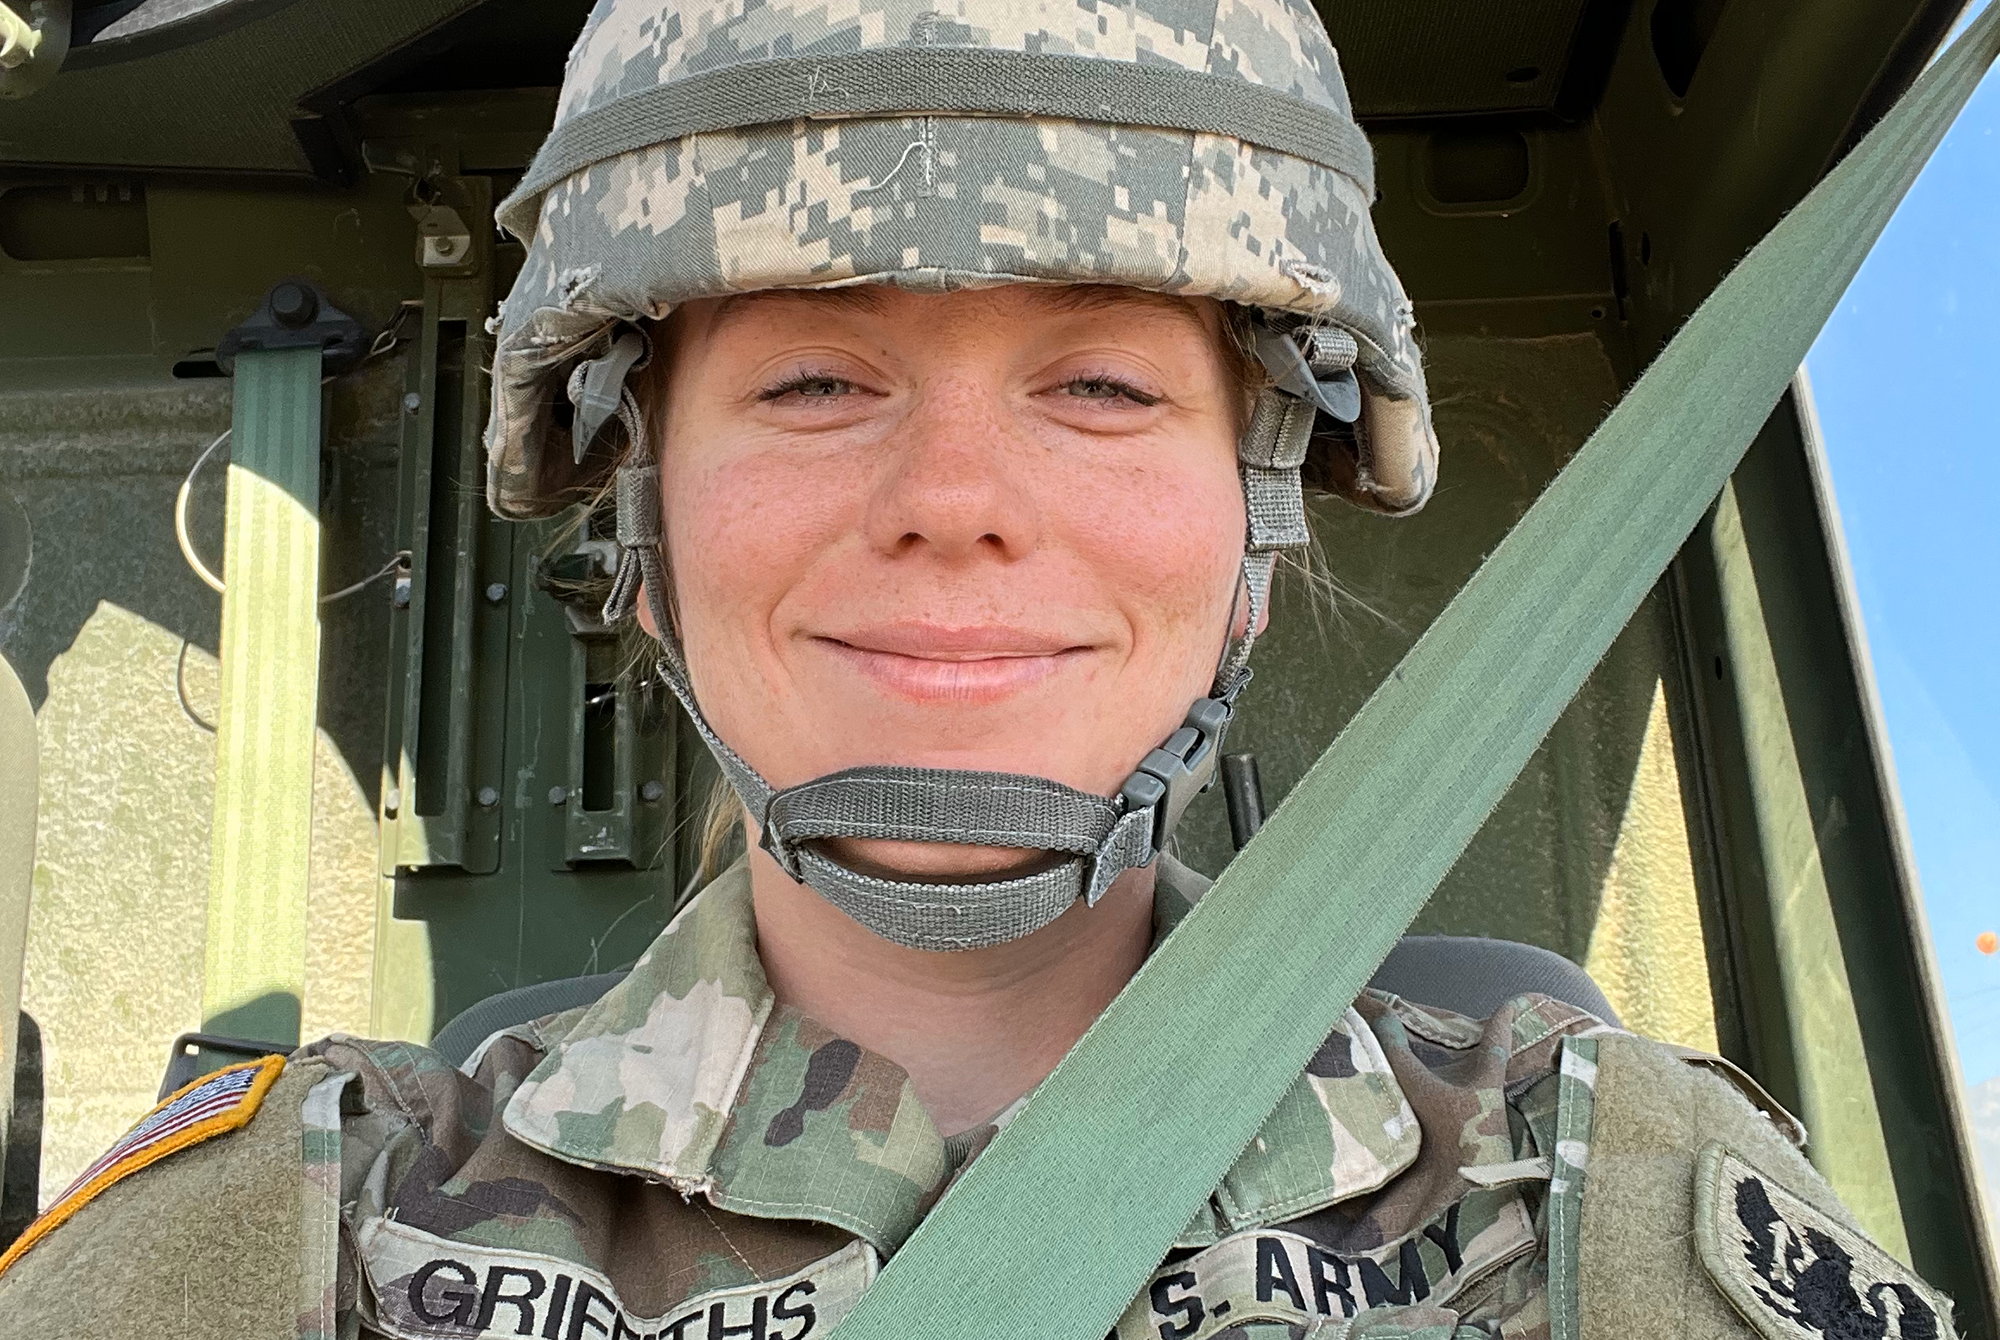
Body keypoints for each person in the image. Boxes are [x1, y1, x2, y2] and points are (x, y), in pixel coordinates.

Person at [0, 2, 1961, 1337]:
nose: (953, 498)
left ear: (1258, 524)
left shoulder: (1584, 1202)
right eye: (814, 378)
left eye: (1102, 383)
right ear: (643, 526)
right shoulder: (309, 1242)